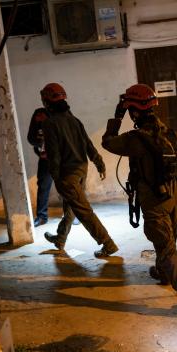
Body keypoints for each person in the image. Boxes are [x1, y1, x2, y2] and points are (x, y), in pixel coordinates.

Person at [101, 84, 177, 312]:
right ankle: (164, 273)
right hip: (173, 196)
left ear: (133, 112)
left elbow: (107, 141)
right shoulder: (170, 134)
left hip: (154, 201)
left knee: (165, 248)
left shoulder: (134, 139)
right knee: (168, 238)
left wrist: (117, 116)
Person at [39, 83, 118, 258]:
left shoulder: (49, 124)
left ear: (47, 103)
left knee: (83, 210)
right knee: (71, 207)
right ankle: (60, 238)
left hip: (67, 175)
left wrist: (56, 178)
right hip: (81, 170)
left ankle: (108, 244)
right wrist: (99, 163)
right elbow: (88, 144)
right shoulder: (74, 120)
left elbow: (54, 155)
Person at [27, 96, 81, 227]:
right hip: (46, 160)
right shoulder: (39, 113)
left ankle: (70, 215)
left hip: (63, 159)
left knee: (67, 187)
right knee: (43, 186)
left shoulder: (64, 114)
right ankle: (41, 216)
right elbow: (31, 137)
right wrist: (40, 145)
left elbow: (70, 135)